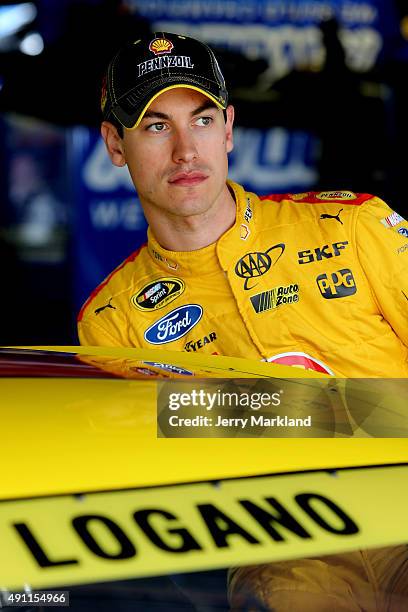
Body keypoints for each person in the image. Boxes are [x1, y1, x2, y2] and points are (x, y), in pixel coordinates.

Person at [77, 32, 408, 610]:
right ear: (115, 144)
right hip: (281, 546)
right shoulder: (111, 322)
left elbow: (186, 422)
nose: (185, 151)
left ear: (228, 128)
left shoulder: (354, 227)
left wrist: (219, 408)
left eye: (201, 121)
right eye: (156, 126)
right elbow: (156, 484)